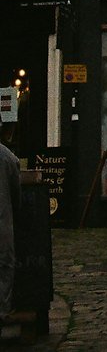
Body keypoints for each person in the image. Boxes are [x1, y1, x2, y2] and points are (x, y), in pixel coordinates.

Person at [0, 138, 20, 323]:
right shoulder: (7, 157)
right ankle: (2, 311)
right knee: (5, 266)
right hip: (2, 222)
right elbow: (16, 194)